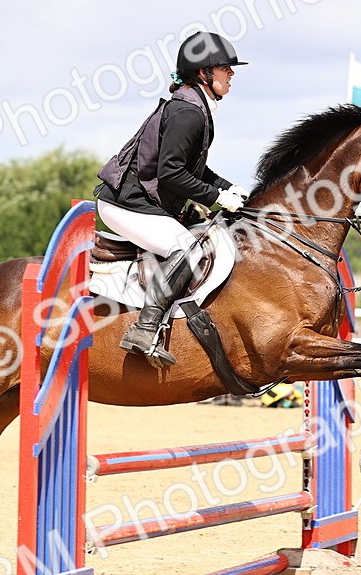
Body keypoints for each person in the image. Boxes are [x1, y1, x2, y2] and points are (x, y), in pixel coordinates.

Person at [93, 31, 250, 367]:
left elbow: (195, 169)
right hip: (126, 203)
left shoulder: (194, 107)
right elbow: (171, 174)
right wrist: (218, 197)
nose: (231, 74)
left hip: (143, 203)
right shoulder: (188, 112)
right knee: (188, 248)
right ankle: (144, 329)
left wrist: (231, 188)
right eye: (225, 68)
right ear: (204, 73)